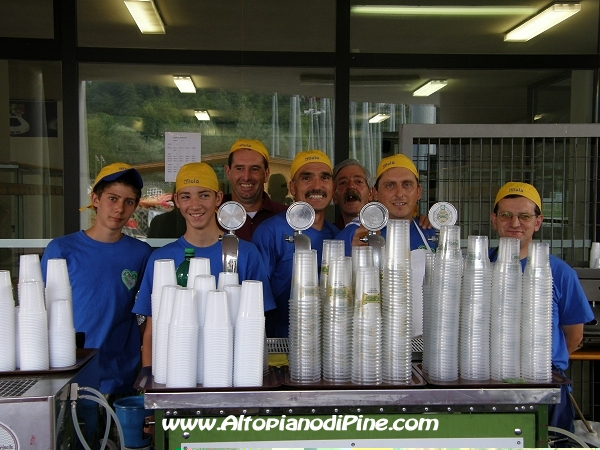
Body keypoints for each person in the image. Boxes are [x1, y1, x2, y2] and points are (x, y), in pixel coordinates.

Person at [133, 162, 276, 366]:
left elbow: (255, 327)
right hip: (176, 372)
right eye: (186, 196)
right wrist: (149, 383)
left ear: (218, 198)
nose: (195, 205)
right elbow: (152, 331)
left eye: (204, 195)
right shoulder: (162, 259)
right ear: (177, 201)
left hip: (231, 372)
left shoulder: (244, 253)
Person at [490, 181, 594, 433]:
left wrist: (539, 364)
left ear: (538, 222)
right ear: (494, 220)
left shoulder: (559, 273)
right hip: (490, 383)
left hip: (546, 388)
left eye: (524, 216)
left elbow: (575, 335)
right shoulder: (479, 268)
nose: (515, 223)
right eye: (506, 215)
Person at [41, 162, 153, 394]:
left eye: (128, 202)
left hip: (120, 374)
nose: (119, 208)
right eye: (112, 198)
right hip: (68, 370)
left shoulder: (141, 253)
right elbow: (42, 312)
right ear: (95, 199)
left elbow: (148, 311)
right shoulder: (62, 249)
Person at [335, 153, 436, 337]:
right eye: (390, 185)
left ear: (419, 192)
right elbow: (331, 295)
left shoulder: (430, 233)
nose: (399, 193)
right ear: (375, 192)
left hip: (426, 347)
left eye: (407, 184)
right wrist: (354, 256)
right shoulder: (353, 234)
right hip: (372, 346)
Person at [252, 150, 339, 338]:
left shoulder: (337, 237)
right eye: (306, 178)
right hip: (279, 345)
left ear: (332, 187)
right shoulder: (271, 232)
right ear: (292, 187)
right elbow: (255, 297)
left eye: (324, 178)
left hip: (328, 344)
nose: (317, 186)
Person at [223, 139, 288, 241]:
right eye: (239, 168)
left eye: (254, 169)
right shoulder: (211, 215)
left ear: (266, 174)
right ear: (228, 172)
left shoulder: (286, 216)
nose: (246, 177)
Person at [332, 158, 374, 230]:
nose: (351, 186)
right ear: (334, 196)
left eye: (358, 182)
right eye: (343, 183)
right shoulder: (329, 236)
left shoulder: (385, 233)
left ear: (370, 193)